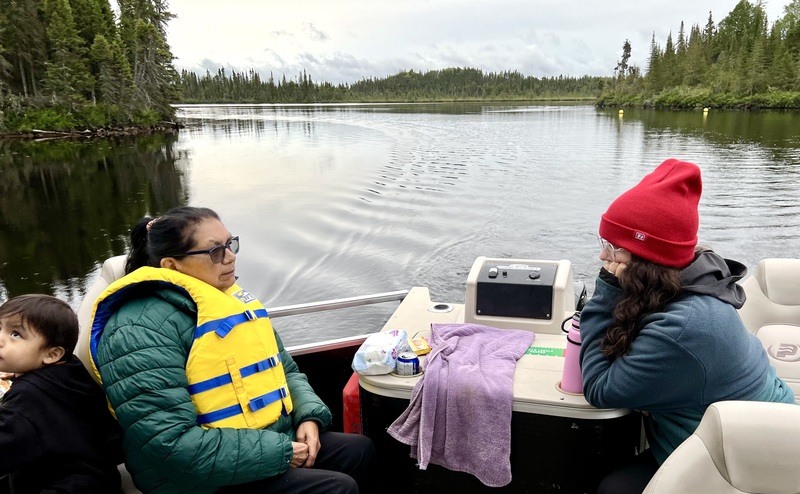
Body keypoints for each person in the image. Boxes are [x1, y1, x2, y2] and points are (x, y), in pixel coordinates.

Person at [88, 206, 375, 494]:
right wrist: (282, 452)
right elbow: (170, 443)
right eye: (215, 252)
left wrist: (308, 417)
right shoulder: (137, 330)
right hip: (191, 478)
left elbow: (284, 369)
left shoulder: (230, 302)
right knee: (337, 488)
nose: (231, 256)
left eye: (230, 244)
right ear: (171, 266)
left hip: (262, 441)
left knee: (359, 450)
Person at [579, 158, 795, 494]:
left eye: (614, 250)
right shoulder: (689, 286)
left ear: (647, 260)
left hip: (742, 470)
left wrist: (607, 288)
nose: (603, 258)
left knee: (609, 486)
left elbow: (599, 388)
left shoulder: (686, 329)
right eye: (604, 244)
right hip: (738, 437)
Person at [0, 294, 124, 493]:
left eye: (16, 334)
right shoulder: (70, 372)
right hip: (99, 477)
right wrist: (19, 375)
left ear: (51, 354)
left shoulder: (27, 398)